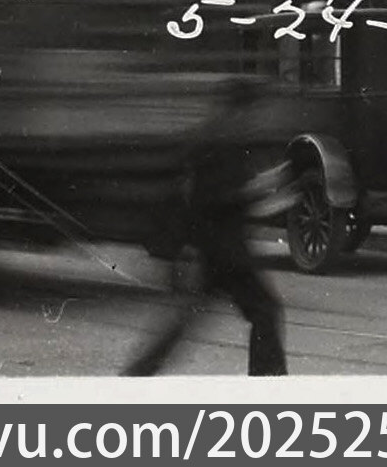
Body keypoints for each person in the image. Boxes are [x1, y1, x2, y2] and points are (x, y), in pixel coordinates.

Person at [124, 84, 290, 378]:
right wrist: (260, 188)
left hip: (211, 247)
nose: (257, 120)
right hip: (225, 250)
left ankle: (139, 373)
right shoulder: (223, 142)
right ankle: (268, 384)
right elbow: (215, 198)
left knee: (188, 316)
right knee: (265, 311)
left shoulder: (216, 137)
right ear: (240, 110)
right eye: (254, 112)